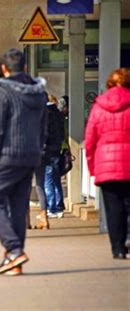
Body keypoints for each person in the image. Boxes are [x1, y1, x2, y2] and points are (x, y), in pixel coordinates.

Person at [0, 48, 47, 275]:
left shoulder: (2, 92)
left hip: (6, 156)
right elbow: (43, 127)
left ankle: (14, 249)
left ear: (4, 69)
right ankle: (13, 261)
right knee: (19, 206)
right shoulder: (39, 93)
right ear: (26, 68)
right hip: (30, 157)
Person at [85, 68, 130, 260]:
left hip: (106, 166)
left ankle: (118, 249)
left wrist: (93, 167)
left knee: (113, 209)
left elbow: (90, 140)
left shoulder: (99, 107)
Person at [43, 94, 65, 218]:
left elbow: (45, 133)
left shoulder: (45, 114)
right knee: (56, 179)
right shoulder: (59, 113)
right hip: (57, 149)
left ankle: (52, 208)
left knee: (48, 180)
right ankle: (59, 206)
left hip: (48, 150)